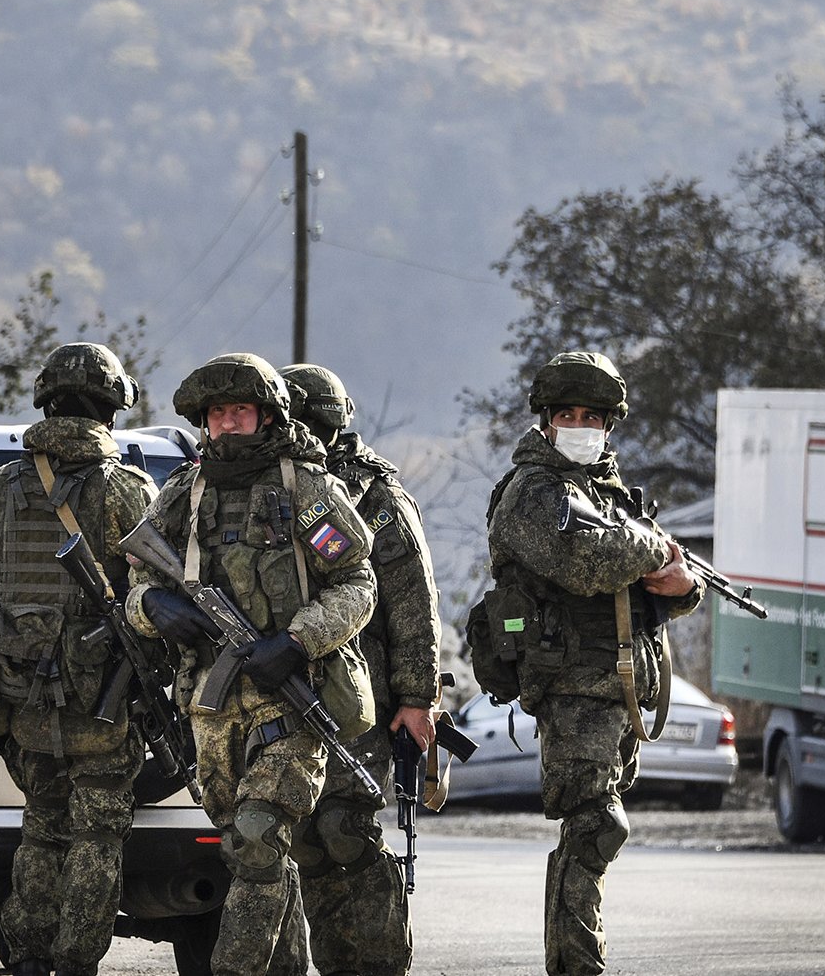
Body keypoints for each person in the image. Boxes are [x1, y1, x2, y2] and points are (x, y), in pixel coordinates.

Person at [125, 352, 377, 976]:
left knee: (259, 839)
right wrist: (154, 607)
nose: (228, 423)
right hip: (210, 707)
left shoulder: (307, 489)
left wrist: (295, 640)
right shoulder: (184, 492)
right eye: (217, 413)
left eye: (240, 411)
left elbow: (357, 583)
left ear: (266, 415)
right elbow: (132, 582)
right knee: (257, 857)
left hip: (290, 697)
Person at [479, 351, 701, 976]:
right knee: (596, 826)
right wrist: (653, 548)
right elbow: (584, 562)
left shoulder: (607, 495)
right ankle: (578, 964)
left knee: (596, 832)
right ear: (546, 421)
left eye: (592, 417)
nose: (579, 425)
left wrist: (681, 586)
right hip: (572, 686)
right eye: (567, 414)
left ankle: (577, 958)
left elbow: (654, 585)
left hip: (620, 691)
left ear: (610, 424)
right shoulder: (531, 493)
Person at [0, 342, 158, 976]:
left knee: (42, 825)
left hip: (22, 700)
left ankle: (29, 955)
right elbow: (166, 602)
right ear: (112, 409)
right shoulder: (129, 491)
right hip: (106, 700)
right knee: (97, 834)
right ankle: (75, 961)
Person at [279, 363, 440, 976]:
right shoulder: (280, 485)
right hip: (287, 689)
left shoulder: (373, 496)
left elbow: (412, 604)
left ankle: (380, 965)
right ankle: (335, 961)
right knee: (307, 843)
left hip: (362, 696)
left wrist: (417, 697)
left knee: (349, 830)